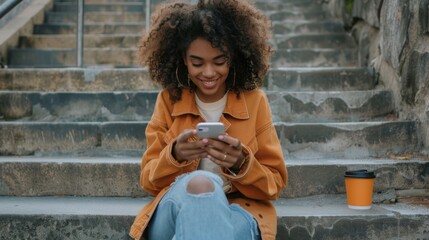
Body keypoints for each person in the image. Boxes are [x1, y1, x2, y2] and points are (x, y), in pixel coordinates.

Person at [129, 0, 288, 239]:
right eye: (197, 63)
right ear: (184, 59)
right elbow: (148, 181)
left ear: (232, 57)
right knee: (201, 183)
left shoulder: (255, 102)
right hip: (175, 207)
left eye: (219, 61)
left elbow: (274, 184)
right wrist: (175, 156)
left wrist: (241, 164)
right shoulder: (168, 101)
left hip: (239, 211)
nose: (209, 73)